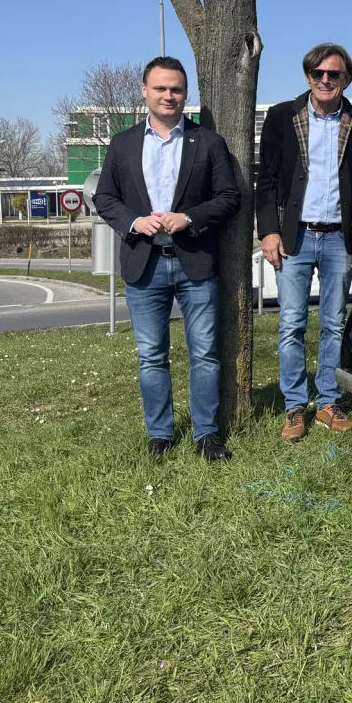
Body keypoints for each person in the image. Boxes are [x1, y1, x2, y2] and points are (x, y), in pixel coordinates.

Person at [93, 55, 241, 461]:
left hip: (195, 262)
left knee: (205, 354)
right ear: (144, 91)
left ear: (186, 93)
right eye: (160, 88)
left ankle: (207, 434)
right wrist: (134, 221)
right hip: (144, 264)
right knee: (151, 355)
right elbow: (104, 197)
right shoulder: (122, 145)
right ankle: (159, 434)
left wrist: (189, 217)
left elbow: (230, 197)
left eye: (175, 88)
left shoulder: (208, 142)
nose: (168, 95)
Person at [255, 43, 352, 443]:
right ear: (308, 77)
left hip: (339, 239)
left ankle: (327, 401)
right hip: (295, 237)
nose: (325, 80)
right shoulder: (281, 117)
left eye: (334, 74)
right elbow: (267, 181)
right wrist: (269, 230)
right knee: (291, 323)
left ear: (347, 79)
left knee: (334, 323)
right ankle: (294, 406)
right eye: (318, 74)